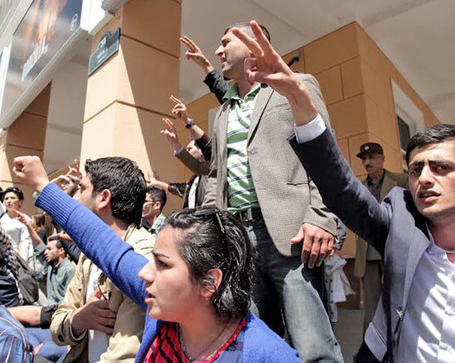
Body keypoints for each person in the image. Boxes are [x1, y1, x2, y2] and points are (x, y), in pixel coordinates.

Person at [228, 20, 455, 362]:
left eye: (441, 167)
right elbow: (341, 186)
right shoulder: (400, 225)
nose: (425, 179)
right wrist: (298, 97)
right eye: (416, 169)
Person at [13, 155, 301, 362]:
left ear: (209, 282)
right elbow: (103, 245)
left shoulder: (264, 352)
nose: (143, 274)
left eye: (162, 264)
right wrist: (42, 184)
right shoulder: (165, 313)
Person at [202, 22, 343, 362]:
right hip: (237, 241)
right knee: (256, 344)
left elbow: (325, 153)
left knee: (312, 347)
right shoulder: (222, 113)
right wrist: (207, 230)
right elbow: (215, 175)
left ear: (251, 45)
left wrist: (322, 217)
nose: (218, 51)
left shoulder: (295, 86)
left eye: (225, 43)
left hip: (291, 236)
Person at [50, 157, 155, 362]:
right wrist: (79, 319)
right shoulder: (88, 257)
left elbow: (124, 357)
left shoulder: (141, 256)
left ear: (103, 198)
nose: (74, 198)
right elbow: (57, 327)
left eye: (81, 188)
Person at [354, 143, 407, 332]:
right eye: (364, 159)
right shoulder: (358, 187)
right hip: (368, 253)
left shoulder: (401, 181)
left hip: (395, 250)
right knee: (371, 308)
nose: (368, 162)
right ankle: (370, 351)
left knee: (399, 301)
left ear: (383, 159)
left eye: (373, 157)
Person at [0, 187, 33, 261]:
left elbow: (25, 243)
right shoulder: (2, 219)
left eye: (12, 198)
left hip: (19, 260)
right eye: (6, 198)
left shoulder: (26, 220)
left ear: (20, 201)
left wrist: (21, 264)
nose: (9, 201)